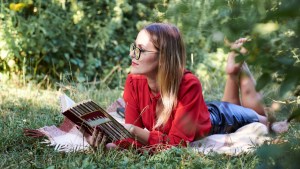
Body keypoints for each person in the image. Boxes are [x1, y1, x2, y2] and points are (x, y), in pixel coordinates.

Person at [85, 23, 288, 150]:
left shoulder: (188, 84)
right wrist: (108, 144)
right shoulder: (133, 81)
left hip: (215, 119)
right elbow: (130, 139)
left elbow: (176, 144)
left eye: (141, 50)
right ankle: (234, 72)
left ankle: (237, 68)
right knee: (239, 108)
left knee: (264, 122)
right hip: (194, 113)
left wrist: (133, 131)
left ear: (164, 58)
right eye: (133, 48)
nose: (132, 55)